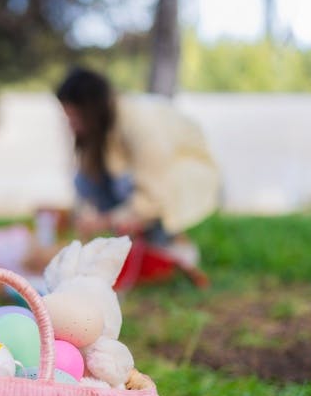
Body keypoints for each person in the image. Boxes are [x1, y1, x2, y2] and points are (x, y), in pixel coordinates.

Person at [31, 66, 219, 286]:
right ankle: (143, 248)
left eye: (74, 116)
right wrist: (85, 218)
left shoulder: (141, 122)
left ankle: (172, 249)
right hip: (152, 184)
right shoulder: (103, 129)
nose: (71, 124)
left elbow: (153, 193)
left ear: (90, 109)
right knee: (88, 181)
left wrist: (106, 220)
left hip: (180, 178)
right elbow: (87, 185)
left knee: (129, 189)